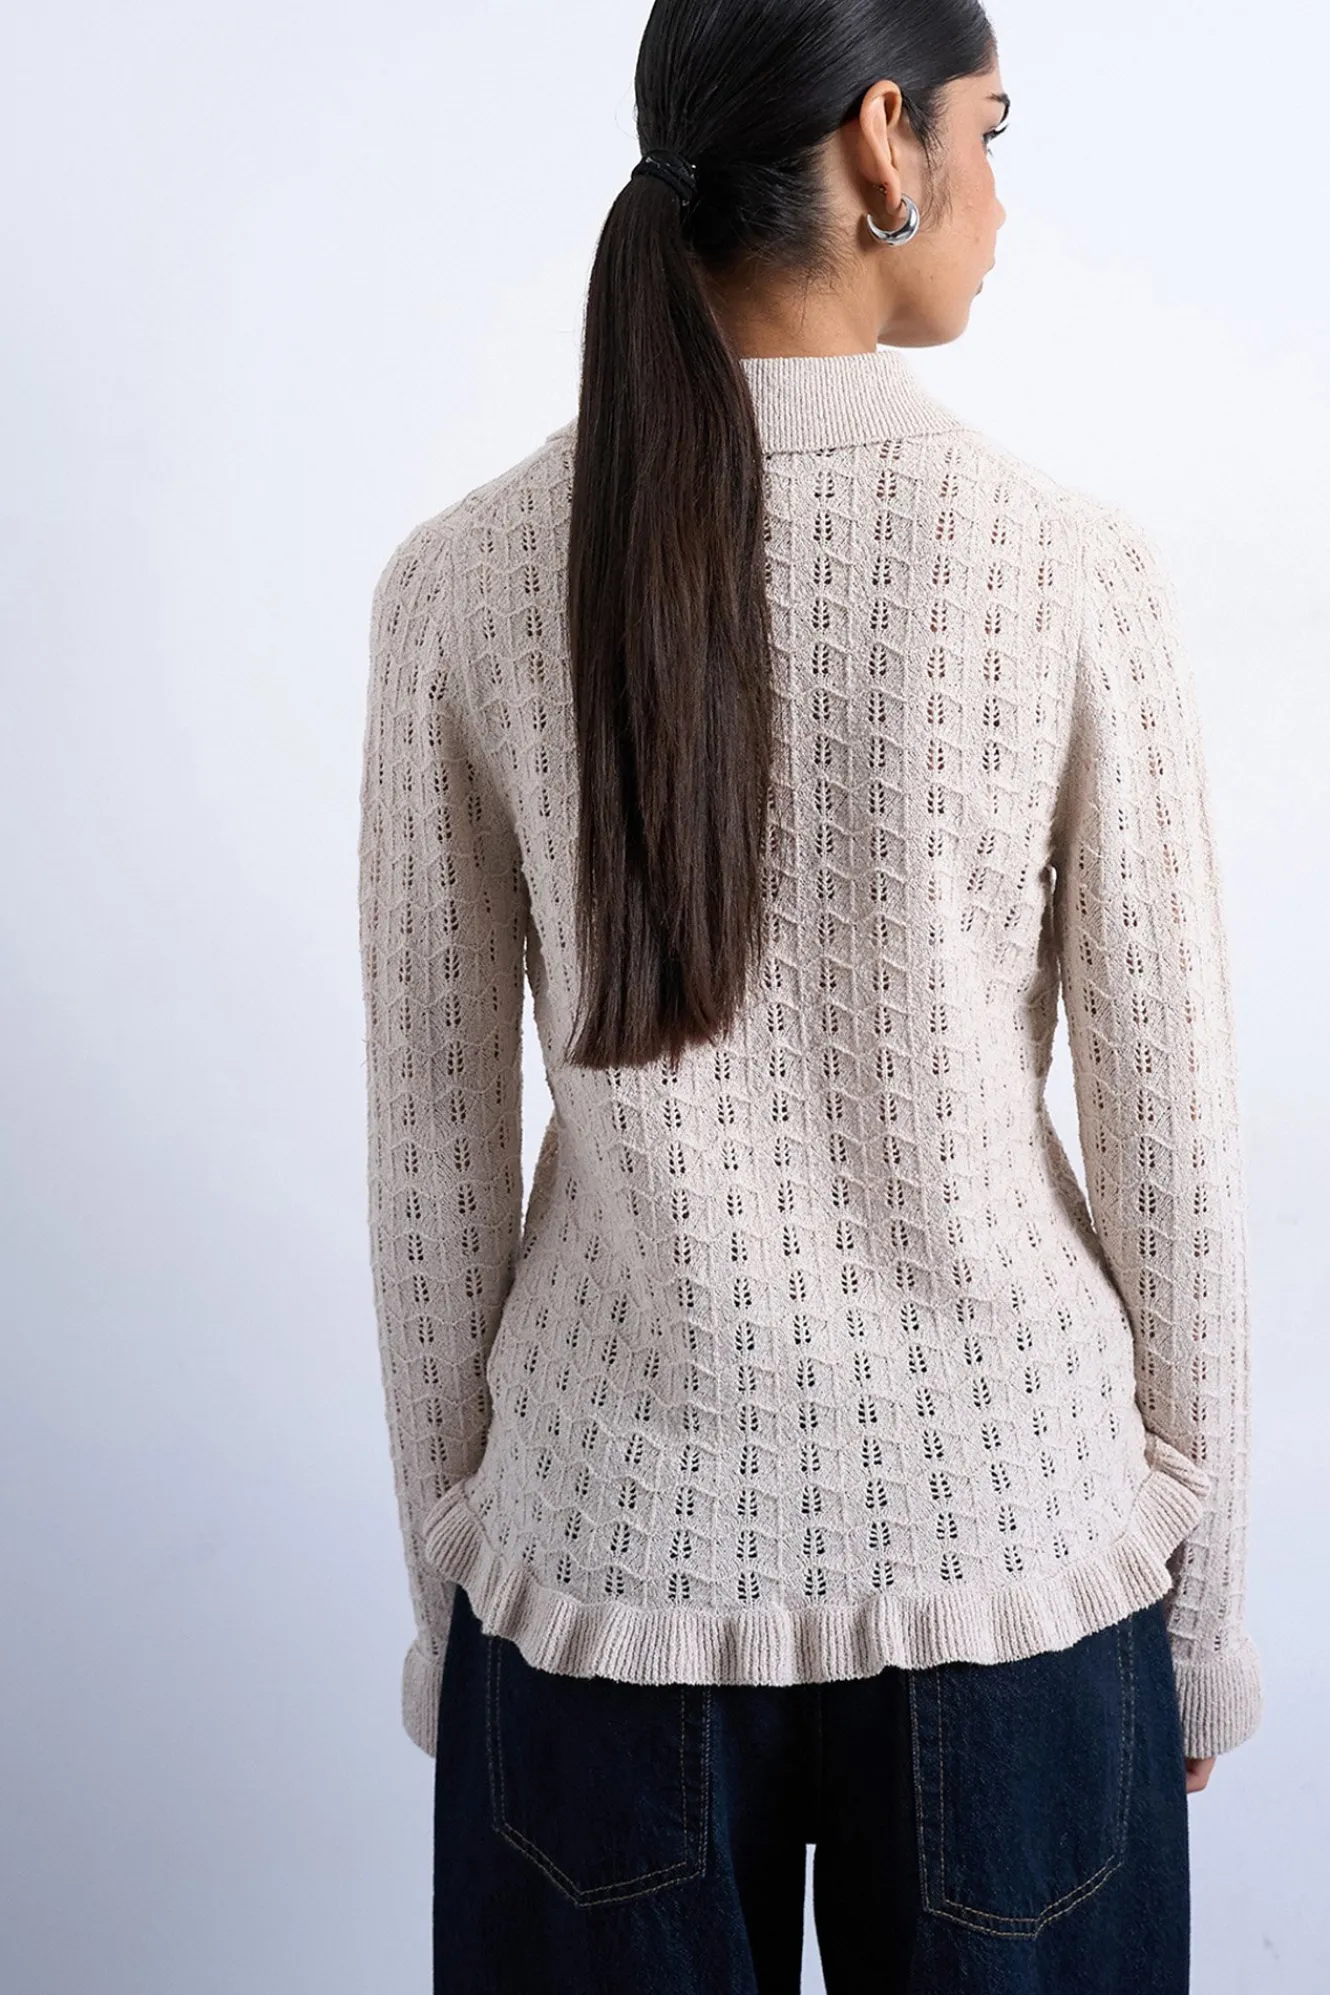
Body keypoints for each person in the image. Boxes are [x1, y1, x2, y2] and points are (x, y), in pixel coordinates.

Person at [356, 1, 1262, 1988]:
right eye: (989, 133)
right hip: (1019, 1568)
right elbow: (1172, 1144)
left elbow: (431, 1163)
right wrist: (1198, 1629)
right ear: (881, 142)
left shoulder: (460, 580)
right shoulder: (1063, 565)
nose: (998, 200)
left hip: (595, 1586)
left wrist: (453, 1607)